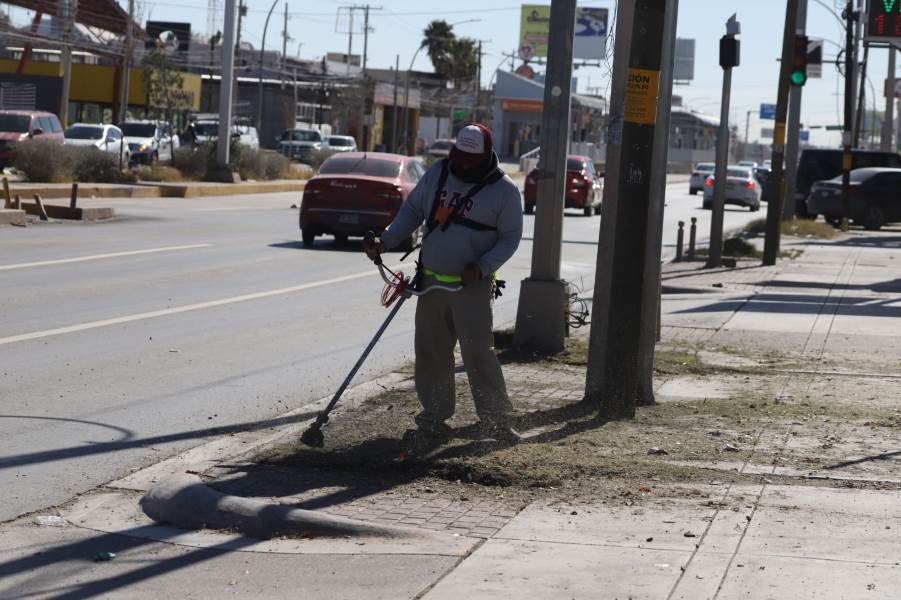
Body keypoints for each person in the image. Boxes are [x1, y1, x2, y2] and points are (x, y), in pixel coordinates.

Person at [364, 124, 524, 445]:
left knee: (478, 353)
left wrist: (482, 268)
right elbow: (412, 211)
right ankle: (434, 418)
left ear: (485, 156)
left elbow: (510, 238)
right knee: (432, 354)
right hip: (431, 285)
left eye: (470, 159)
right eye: (458, 156)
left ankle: (497, 421)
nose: (462, 164)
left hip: (471, 288)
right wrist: (385, 240)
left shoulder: (504, 191)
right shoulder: (438, 173)